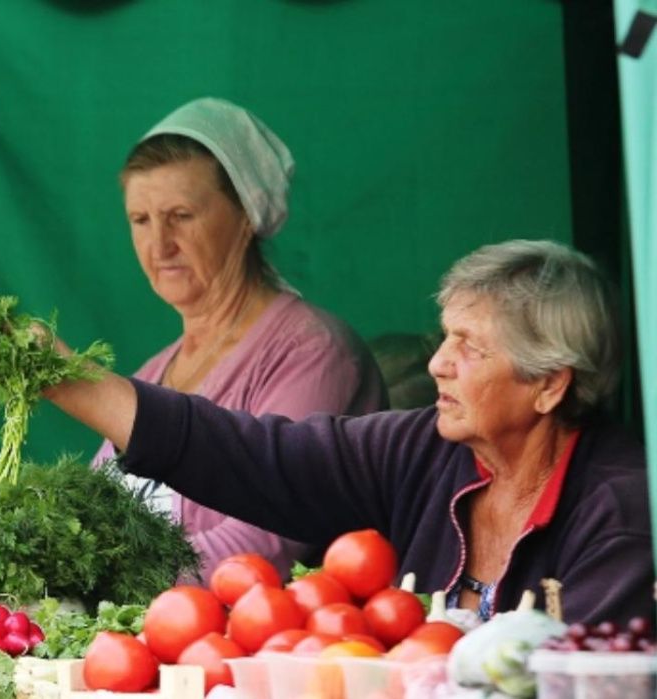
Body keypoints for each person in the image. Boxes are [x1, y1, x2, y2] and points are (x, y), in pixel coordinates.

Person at [52, 239, 652, 624]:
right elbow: (260, 458)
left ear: (550, 385)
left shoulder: (621, 509)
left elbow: (581, 680)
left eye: (469, 347)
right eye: (444, 336)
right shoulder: (423, 450)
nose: (438, 362)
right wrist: (64, 379)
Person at [94, 97, 387, 581]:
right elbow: (87, 520)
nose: (159, 244)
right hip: (149, 640)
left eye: (181, 215)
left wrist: (104, 585)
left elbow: (262, 545)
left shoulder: (314, 352)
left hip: (265, 646)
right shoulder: (152, 373)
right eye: (140, 220)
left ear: (247, 215)